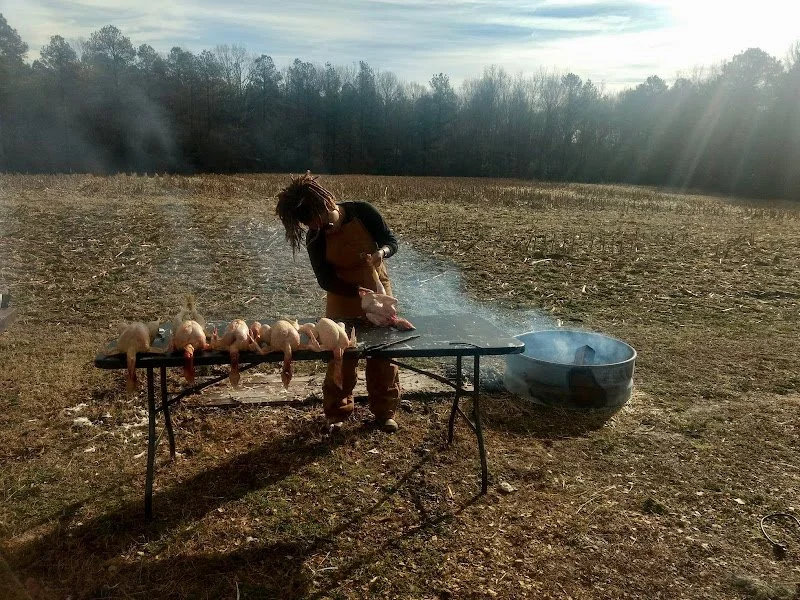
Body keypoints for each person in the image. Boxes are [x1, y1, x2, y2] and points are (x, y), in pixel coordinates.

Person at [275, 172, 401, 433]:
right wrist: (357, 292)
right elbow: (325, 280)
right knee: (340, 356)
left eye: (322, 222)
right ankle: (337, 411)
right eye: (313, 226)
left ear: (328, 204)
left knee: (383, 356)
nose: (320, 229)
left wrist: (380, 253)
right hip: (343, 297)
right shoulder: (315, 237)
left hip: (379, 292)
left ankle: (384, 412)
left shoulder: (363, 212)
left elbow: (391, 241)